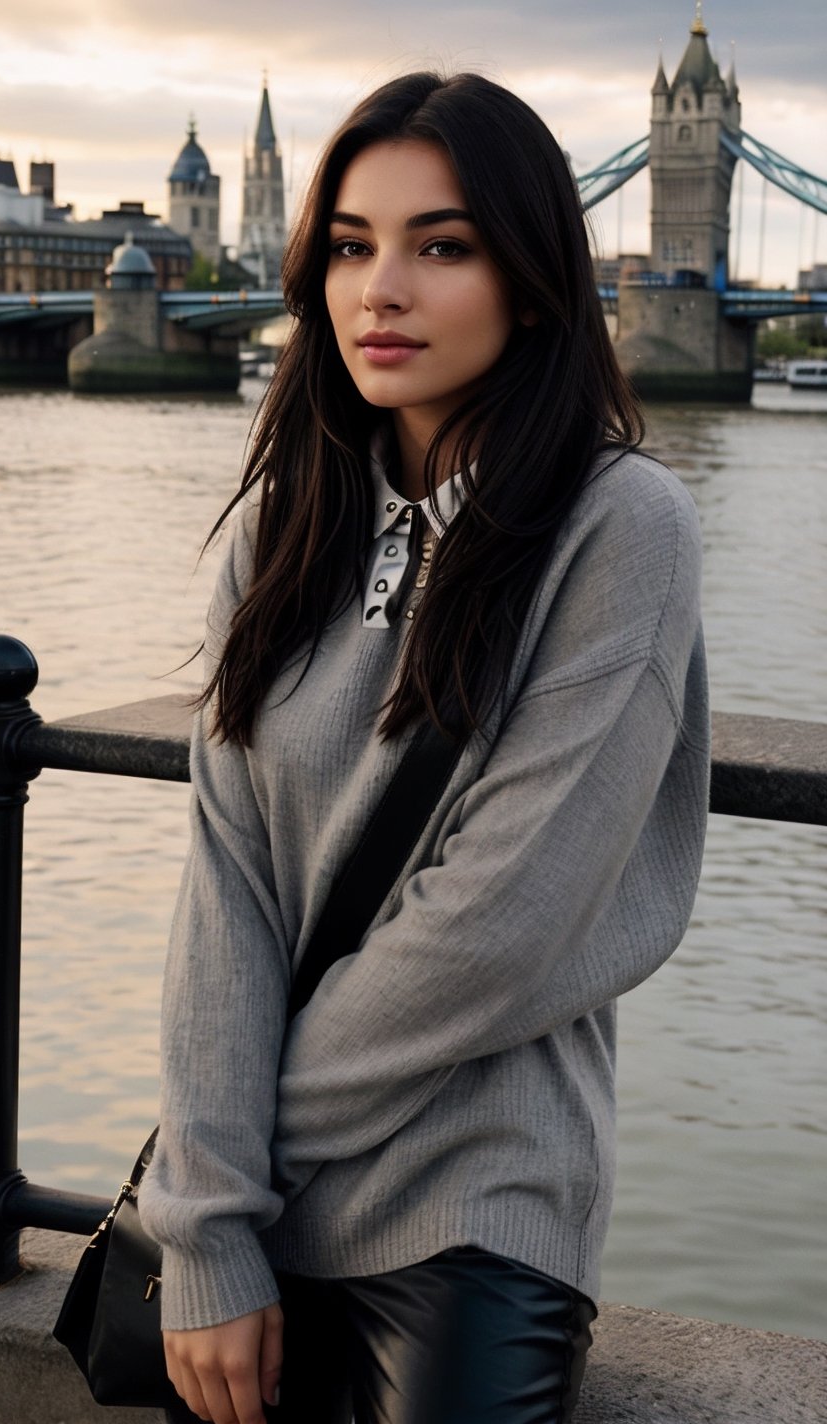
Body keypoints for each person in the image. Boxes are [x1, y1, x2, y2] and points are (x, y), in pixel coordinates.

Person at [138, 71, 710, 1424]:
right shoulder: (284, 527)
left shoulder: (619, 530)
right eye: (351, 245)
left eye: (440, 246)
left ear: (532, 278)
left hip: (470, 1216)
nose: (379, 289)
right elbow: (225, 882)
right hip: (249, 1222)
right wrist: (212, 1225)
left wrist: (230, 1172)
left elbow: (500, 925)